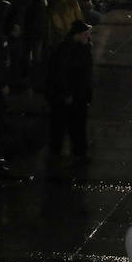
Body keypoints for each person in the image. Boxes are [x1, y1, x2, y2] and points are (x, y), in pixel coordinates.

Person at [46, 19, 94, 161]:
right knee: (64, 125)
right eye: (85, 34)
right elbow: (60, 73)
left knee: (75, 125)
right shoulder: (67, 50)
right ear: (77, 35)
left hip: (78, 94)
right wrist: (66, 92)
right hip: (70, 94)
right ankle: (62, 153)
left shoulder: (82, 48)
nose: (87, 37)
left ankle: (76, 152)